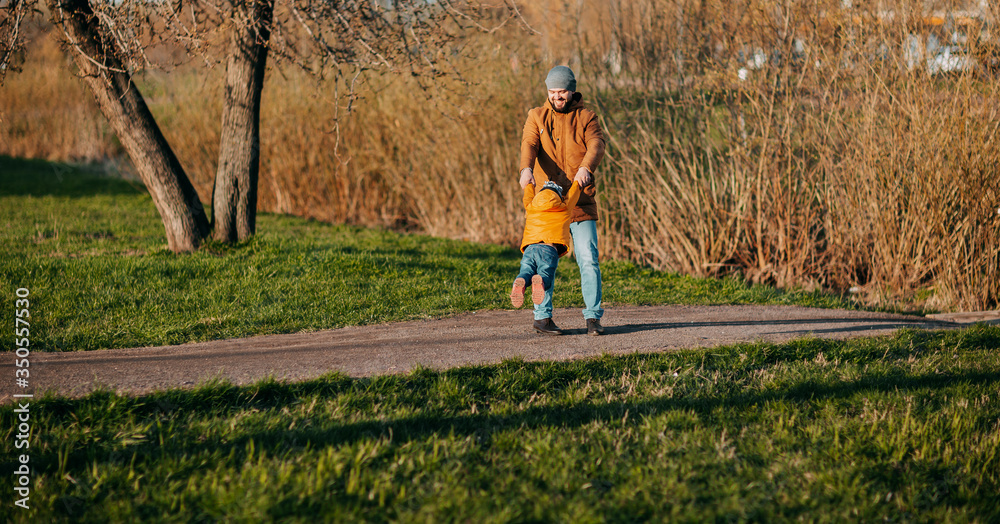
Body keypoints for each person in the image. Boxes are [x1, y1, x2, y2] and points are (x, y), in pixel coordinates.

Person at [519, 65, 607, 336]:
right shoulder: (536, 116)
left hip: (580, 200)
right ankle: (542, 318)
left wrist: (586, 167)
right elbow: (529, 143)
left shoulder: (586, 117)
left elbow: (597, 144)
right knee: (543, 260)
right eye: (552, 91)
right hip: (549, 206)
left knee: (588, 259)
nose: (557, 96)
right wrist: (525, 168)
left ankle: (593, 318)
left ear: (572, 90)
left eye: (562, 91)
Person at [510, 180, 582, 335]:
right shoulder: (563, 207)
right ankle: (541, 281)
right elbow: (574, 195)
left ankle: (521, 280)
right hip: (548, 249)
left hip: (530, 248)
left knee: (527, 271)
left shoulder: (531, 207)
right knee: (546, 275)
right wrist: (578, 182)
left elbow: (527, 196)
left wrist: (529, 185)